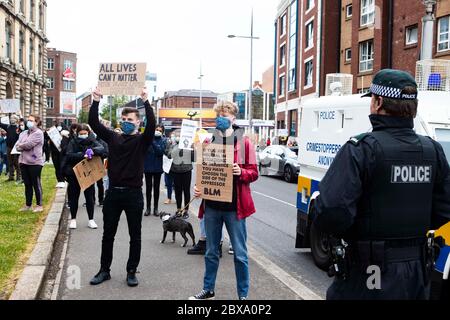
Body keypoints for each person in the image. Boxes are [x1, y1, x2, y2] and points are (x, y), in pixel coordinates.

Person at [312, 69, 450, 300]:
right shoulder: (432, 150)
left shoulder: (361, 149)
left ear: (378, 102)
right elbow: (445, 206)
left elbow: (332, 211)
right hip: (417, 269)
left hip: (372, 269)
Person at [190, 101, 259, 300]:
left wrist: (242, 172)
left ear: (233, 118)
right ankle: (208, 289)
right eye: (219, 115)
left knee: (240, 254)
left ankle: (243, 296)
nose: (222, 118)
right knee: (211, 251)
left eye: (226, 115)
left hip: (234, 208)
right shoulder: (208, 142)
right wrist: (198, 187)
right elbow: (204, 172)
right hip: (211, 206)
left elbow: (254, 173)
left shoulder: (244, 143)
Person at [88, 87, 155, 288]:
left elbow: (152, 125)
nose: (126, 123)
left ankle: (131, 271)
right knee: (108, 234)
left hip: (134, 195)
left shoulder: (143, 140)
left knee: (135, 236)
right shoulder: (113, 137)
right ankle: (104, 270)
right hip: (113, 194)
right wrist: (96, 101)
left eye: (130, 120)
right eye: (124, 120)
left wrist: (146, 102)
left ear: (138, 123)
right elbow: (94, 123)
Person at [63, 124, 107, 230]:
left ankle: (91, 220)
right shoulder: (73, 142)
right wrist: (82, 155)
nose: (83, 135)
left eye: (85, 133)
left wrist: (93, 151)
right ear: (77, 133)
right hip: (75, 174)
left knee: (89, 197)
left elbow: (102, 149)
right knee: (74, 197)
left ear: (88, 133)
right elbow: (69, 155)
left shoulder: (92, 141)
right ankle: (73, 219)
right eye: (81, 134)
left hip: (88, 173)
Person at [15, 114, 45, 213]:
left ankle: (39, 204)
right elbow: (17, 145)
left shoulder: (39, 133)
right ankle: (28, 204)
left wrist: (21, 146)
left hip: (35, 162)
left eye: (31, 120)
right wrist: (21, 145)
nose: (29, 122)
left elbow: (29, 145)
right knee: (27, 184)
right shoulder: (23, 133)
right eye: (28, 120)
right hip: (23, 161)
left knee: (36, 183)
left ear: (37, 122)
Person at [166, 133, 194, 219]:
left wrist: (192, 149)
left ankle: (186, 210)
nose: (178, 138)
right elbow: (169, 155)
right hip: (176, 170)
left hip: (187, 170)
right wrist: (174, 146)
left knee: (186, 191)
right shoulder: (173, 145)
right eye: (177, 136)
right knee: (177, 191)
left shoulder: (188, 145)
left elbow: (193, 158)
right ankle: (178, 209)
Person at [144, 124, 167, 216]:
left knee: (156, 189)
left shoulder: (163, 140)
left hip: (157, 167)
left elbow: (160, 152)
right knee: (148, 188)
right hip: (148, 167)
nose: (158, 131)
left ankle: (156, 208)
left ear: (162, 132)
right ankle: (148, 208)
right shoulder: (147, 140)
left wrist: (152, 142)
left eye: (160, 130)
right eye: (157, 129)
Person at [0, 114, 22, 182]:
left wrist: (20, 116)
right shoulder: (8, 126)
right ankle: (11, 176)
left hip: (16, 148)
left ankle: (19, 177)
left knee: (16, 162)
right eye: (11, 118)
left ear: (16, 120)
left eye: (13, 118)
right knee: (10, 162)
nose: (11, 119)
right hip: (9, 147)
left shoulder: (19, 127)